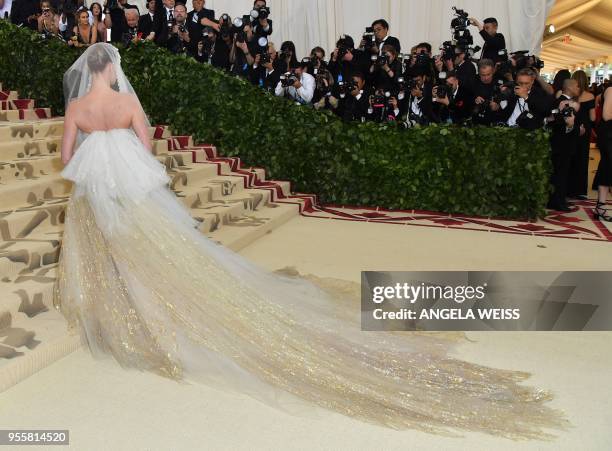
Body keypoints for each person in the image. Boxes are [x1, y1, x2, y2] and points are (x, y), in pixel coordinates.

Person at [55, 42, 566, 439]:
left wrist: (96, 158)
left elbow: (64, 160)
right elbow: (147, 147)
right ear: (112, 68)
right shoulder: (124, 102)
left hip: (94, 195)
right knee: (156, 257)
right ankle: (155, 319)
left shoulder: (78, 105)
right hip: (132, 190)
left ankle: (127, 323)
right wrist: (121, 151)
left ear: (88, 69)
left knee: (115, 258)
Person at [567, 70, 596, 200]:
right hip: (585, 129)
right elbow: (593, 117)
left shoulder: (568, 95)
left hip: (570, 127)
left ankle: (567, 188)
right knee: (582, 158)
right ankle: (579, 190)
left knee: (568, 157)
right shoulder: (590, 96)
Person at [593, 85, 612, 221]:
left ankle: (600, 207)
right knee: (607, 167)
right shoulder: (611, 90)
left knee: (607, 168)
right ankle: (601, 206)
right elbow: (606, 115)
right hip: (609, 134)